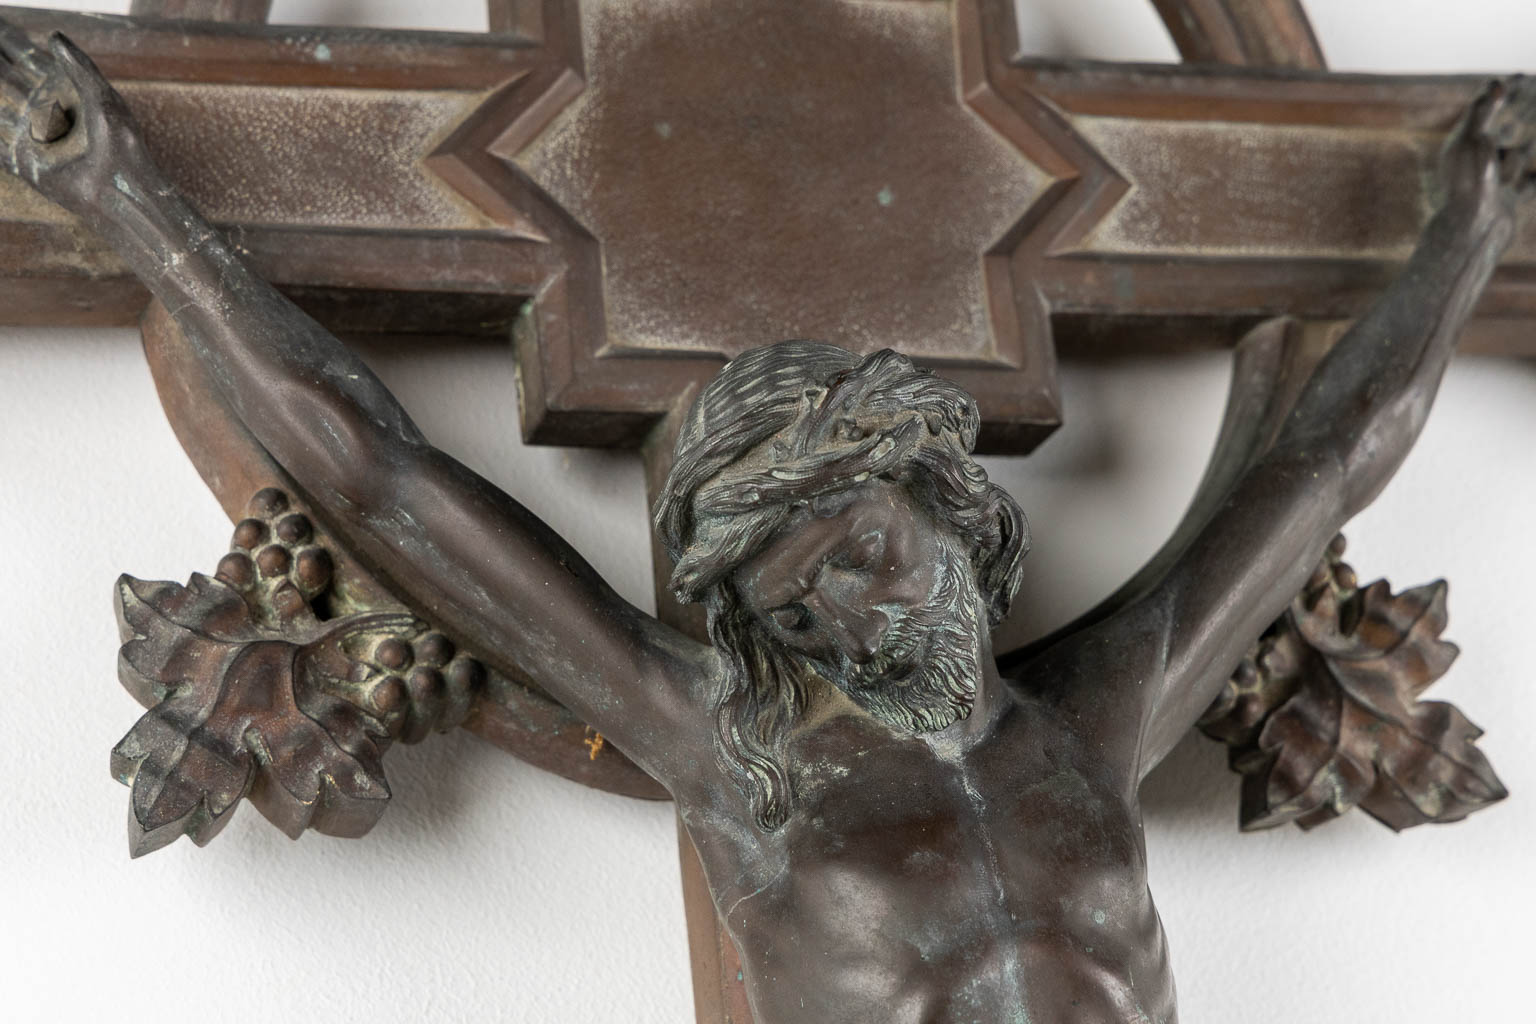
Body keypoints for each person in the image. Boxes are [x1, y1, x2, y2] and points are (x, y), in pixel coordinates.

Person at [2, 23, 1530, 1023]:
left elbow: (1326, 464)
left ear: (946, 500)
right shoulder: (743, 764)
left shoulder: (1102, 712)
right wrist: (134, 205)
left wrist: (1472, 228)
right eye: (798, 610)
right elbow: (387, 478)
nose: (851, 624)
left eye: (860, 556)